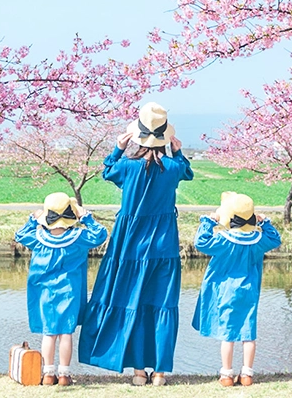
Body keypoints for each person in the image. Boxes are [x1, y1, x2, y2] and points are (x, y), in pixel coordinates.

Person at [78, 102, 193, 386]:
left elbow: (107, 170)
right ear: (165, 137)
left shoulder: (127, 168)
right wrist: (176, 151)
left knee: (134, 302)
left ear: (137, 137)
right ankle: (161, 372)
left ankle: (139, 371)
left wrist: (118, 147)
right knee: (162, 304)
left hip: (128, 244)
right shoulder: (173, 167)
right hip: (163, 244)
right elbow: (187, 172)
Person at [14, 190, 109, 386]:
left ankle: (48, 374)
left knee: (49, 333)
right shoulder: (79, 237)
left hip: (45, 293)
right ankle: (64, 374)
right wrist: (86, 217)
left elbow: (20, 235)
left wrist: (34, 219)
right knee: (66, 333)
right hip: (70, 292)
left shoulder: (37, 238)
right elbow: (101, 234)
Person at [191, 191, 282, 387]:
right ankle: (247, 374)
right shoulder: (257, 241)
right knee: (248, 332)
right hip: (249, 292)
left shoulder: (223, 240)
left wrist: (209, 221)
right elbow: (275, 239)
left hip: (226, 292)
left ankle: (226, 374)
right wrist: (265, 222)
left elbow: (200, 242)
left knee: (228, 334)